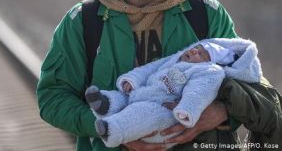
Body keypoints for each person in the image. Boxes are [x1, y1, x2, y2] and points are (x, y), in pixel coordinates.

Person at [36, 0, 282, 151]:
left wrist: (220, 113)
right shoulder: (83, 22)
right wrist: (113, 127)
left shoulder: (205, 14)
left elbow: (251, 83)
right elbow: (52, 98)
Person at [85, 38, 261, 148]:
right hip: (144, 92)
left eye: (202, 53)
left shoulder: (209, 72)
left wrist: (186, 110)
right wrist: (131, 80)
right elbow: (149, 69)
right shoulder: (176, 58)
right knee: (122, 97)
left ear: (211, 63)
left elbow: (198, 93)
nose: (194, 50)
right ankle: (104, 103)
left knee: (143, 114)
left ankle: (113, 129)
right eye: (197, 47)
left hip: (166, 109)